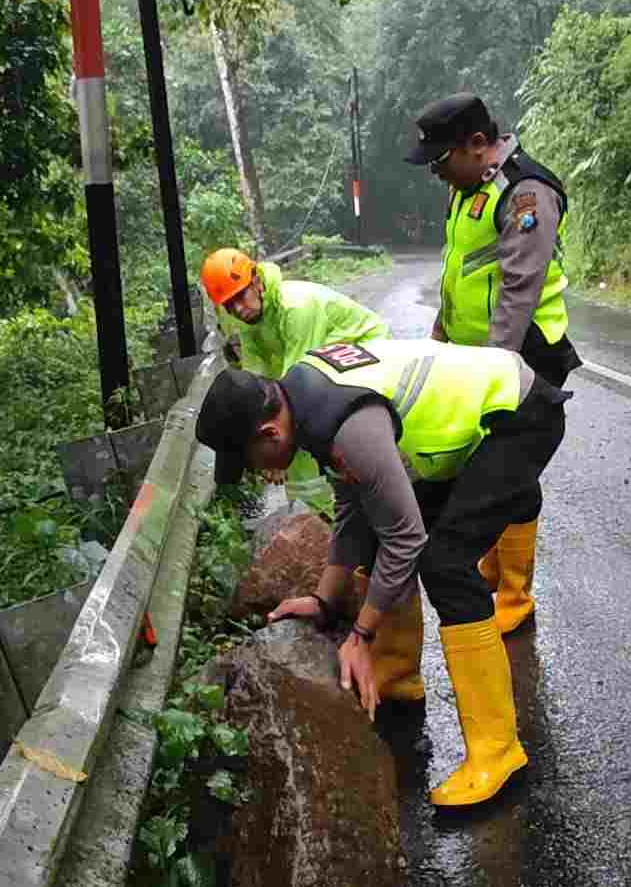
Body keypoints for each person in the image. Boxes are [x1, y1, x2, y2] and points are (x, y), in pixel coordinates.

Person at [194, 339, 570, 806]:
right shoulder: (305, 398)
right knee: (386, 527)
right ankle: (397, 683)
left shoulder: (344, 426)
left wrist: (361, 635)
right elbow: (354, 505)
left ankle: (498, 750)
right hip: (480, 416)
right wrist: (323, 600)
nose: (256, 473)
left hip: (517, 413)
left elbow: (406, 537)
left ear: (270, 434)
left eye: (249, 463)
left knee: (445, 562)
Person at [402, 91, 580, 634]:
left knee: (510, 474)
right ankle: (494, 567)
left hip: (523, 355)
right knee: (485, 470)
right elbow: (460, 271)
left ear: (478, 145)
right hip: (475, 356)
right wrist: (440, 337)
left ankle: (515, 595)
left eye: (440, 162)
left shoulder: (525, 193)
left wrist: (489, 375)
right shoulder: (468, 188)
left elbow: (518, 292)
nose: (436, 174)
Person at [200, 247, 388, 508]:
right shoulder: (250, 321)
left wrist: (276, 456)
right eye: (230, 305)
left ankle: (351, 501)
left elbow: (296, 385)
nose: (240, 309)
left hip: (365, 353)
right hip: (325, 361)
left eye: (241, 296)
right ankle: (315, 516)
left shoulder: (296, 306)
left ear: (256, 281)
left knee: (310, 421)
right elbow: (256, 380)